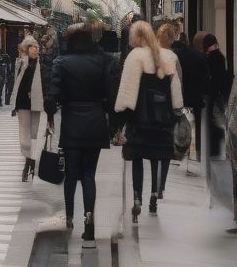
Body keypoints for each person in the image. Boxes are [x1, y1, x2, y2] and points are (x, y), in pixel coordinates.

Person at [46, 22, 110, 243]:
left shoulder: (61, 62)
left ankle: (70, 217)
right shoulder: (101, 62)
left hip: (72, 120)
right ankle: (89, 219)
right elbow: (108, 94)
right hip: (95, 120)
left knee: (71, 174)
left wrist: (50, 115)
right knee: (89, 174)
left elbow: (53, 96)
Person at [114, 20, 183, 220]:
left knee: (137, 157)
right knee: (156, 156)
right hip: (162, 118)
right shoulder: (166, 55)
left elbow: (127, 91)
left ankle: (137, 197)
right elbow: (175, 89)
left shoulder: (135, 56)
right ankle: (154, 193)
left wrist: (119, 120)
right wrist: (177, 112)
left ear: (135, 37)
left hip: (140, 118)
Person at [9, 35, 52, 181]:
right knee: (25, 139)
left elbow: (47, 86)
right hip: (22, 104)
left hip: (38, 105)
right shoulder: (21, 64)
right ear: (26, 49)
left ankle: (29, 164)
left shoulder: (43, 65)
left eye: (37, 47)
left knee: (35, 136)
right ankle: (28, 161)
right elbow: (15, 82)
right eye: (33, 47)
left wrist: (49, 109)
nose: (36, 49)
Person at [172, 28, 207, 161]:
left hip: (180, 99)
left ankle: (181, 150)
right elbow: (205, 82)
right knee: (194, 128)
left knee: (180, 126)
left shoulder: (179, 54)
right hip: (195, 100)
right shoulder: (201, 59)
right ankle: (193, 152)